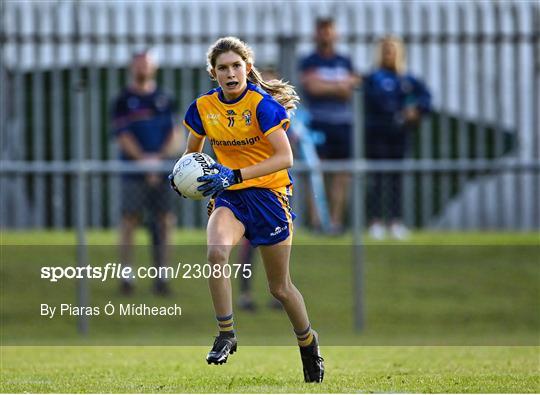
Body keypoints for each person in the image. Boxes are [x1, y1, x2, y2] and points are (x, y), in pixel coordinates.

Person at [170, 37, 324, 382]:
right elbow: (192, 154)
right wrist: (180, 176)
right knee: (215, 253)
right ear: (213, 73)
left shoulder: (263, 106)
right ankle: (226, 333)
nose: (230, 72)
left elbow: (285, 158)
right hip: (231, 198)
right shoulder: (202, 108)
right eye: (222, 68)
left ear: (247, 69)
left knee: (280, 288)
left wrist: (234, 173)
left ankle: (309, 344)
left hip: (269, 198)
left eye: (236, 66)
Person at [111, 49, 181, 296]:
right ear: (132, 67)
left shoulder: (165, 98)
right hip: (133, 171)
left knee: (164, 220)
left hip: (162, 172)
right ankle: (127, 277)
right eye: (138, 63)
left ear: (154, 68)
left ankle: (162, 278)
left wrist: (158, 160)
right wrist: (144, 161)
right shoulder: (122, 99)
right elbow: (122, 136)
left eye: (146, 63)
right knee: (129, 220)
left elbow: (175, 134)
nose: (142, 68)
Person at [363, 36, 432, 240]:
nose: (389, 54)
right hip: (377, 134)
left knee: (397, 179)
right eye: (385, 50)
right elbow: (376, 101)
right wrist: (397, 110)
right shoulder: (374, 78)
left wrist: (415, 111)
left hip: (399, 135)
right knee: (377, 178)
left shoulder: (408, 79)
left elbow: (426, 98)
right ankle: (375, 221)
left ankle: (395, 221)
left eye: (392, 50)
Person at [299, 17, 360, 234]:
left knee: (341, 175)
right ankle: (317, 222)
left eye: (329, 30)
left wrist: (326, 85)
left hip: (343, 124)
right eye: (322, 30)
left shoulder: (345, 60)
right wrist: (338, 85)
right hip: (318, 122)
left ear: (335, 34)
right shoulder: (309, 61)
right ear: (316, 34)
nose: (326, 35)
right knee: (317, 171)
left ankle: (335, 222)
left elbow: (351, 87)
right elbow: (313, 88)